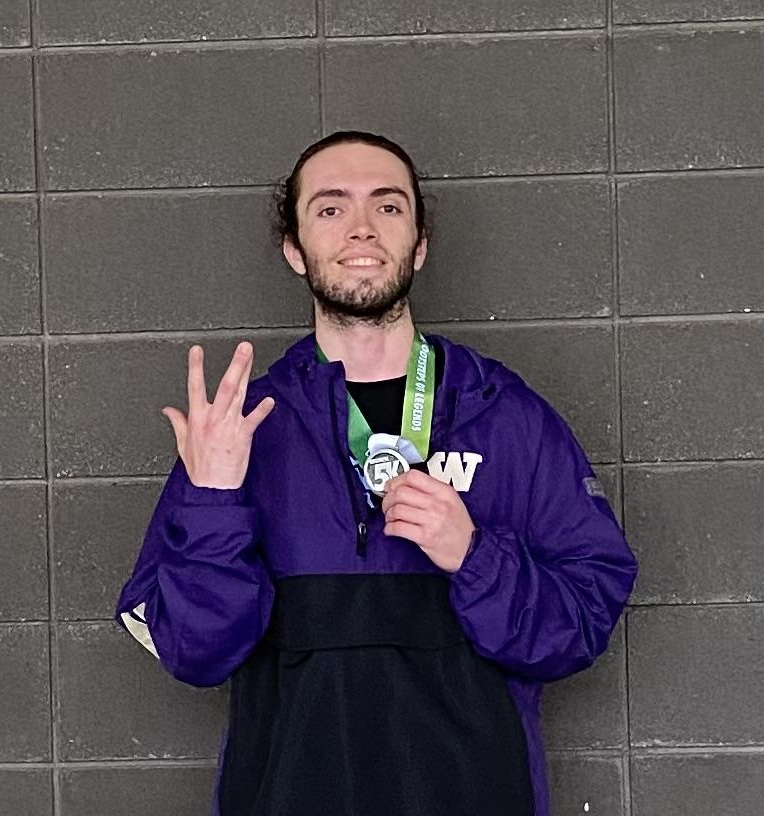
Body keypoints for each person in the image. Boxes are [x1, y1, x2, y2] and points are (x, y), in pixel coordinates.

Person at [115, 130, 638, 816]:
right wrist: (212, 501)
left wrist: (474, 556)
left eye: (388, 206)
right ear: (294, 248)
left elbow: (582, 624)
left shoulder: (505, 414)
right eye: (331, 208)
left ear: (419, 244)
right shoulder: (239, 430)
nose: (361, 227)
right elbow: (195, 653)